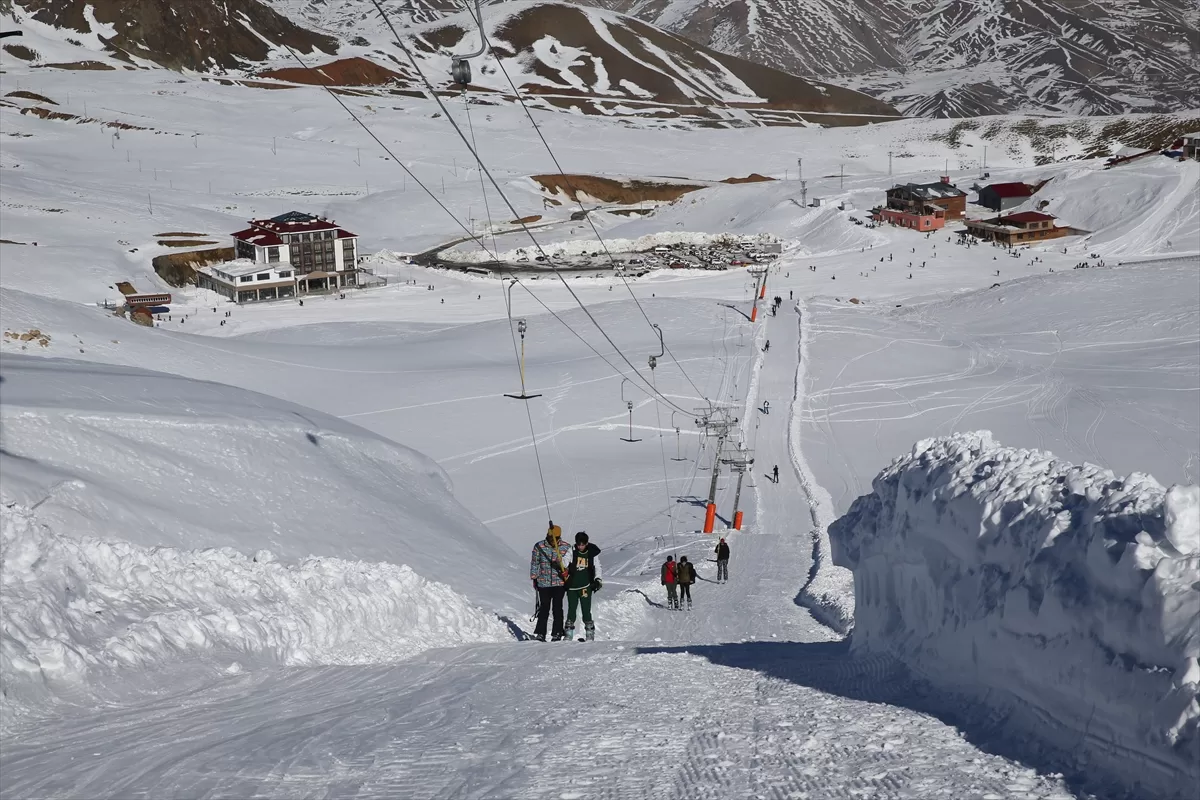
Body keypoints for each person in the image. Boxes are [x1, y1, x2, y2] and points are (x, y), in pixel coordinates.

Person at [529, 523, 571, 641]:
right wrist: (534, 577)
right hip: (543, 582)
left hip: (559, 583)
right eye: (549, 538)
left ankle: (557, 632)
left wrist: (566, 572)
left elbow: (570, 564)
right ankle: (541, 633)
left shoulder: (566, 547)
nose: (552, 541)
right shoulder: (539, 546)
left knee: (557, 608)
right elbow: (534, 563)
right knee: (544, 607)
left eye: (555, 539)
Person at [564, 531, 602, 642]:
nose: (580, 547)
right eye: (578, 544)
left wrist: (598, 579)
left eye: (582, 544)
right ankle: (568, 634)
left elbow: (598, 567)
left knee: (586, 610)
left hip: (585, 586)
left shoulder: (591, 553)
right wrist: (560, 563)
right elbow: (565, 561)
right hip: (572, 587)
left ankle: (590, 634)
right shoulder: (572, 550)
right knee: (571, 610)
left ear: (586, 543)